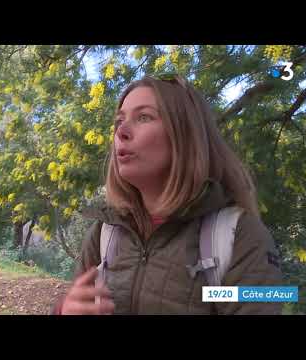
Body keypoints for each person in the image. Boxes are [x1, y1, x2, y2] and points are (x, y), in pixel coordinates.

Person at [51, 75, 283, 315]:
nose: (121, 131)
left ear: (185, 135)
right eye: (119, 121)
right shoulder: (105, 234)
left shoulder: (240, 236)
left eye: (144, 117)